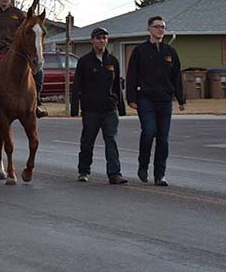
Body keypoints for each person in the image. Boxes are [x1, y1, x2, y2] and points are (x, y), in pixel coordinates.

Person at [126, 15, 186, 187]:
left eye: (163, 27)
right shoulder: (140, 51)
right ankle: (143, 165)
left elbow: (177, 77)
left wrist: (181, 99)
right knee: (149, 131)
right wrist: (131, 98)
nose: (161, 30)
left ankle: (160, 175)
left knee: (163, 138)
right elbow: (132, 76)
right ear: (149, 29)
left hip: (165, 100)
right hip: (145, 99)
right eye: (157, 26)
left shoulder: (170, 52)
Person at [71, 27, 127, 184]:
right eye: (98, 38)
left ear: (107, 41)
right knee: (87, 142)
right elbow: (77, 85)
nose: (101, 41)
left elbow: (117, 86)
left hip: (110, 109)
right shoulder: (84, 61)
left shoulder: (112, 61)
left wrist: (121, 108)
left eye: (104, 38)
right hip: (91, 110)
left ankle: (114, 174)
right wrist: (75, 107)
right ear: (92, 40)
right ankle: (83, 171)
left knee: (112, 141)